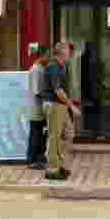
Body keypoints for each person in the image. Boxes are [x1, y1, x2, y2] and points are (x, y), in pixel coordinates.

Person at [40, 42, 81, 180]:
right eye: (69, 51)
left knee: (69, 134)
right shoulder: (53, 66)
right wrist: (72, 106)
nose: (71, 54)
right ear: (62, 52)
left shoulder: (62, 66)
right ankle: (52, 169)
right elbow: (58, 91)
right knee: (54, 137)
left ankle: (61, 164)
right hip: (54, 105)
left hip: (60, 105)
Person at [26, 46, 50, 170]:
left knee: (41, 134)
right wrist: (49, 96)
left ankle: (39, 158)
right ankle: (32, 160)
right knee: (35, 134)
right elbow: (37, 91)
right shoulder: (36, 70)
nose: (48, 57)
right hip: (36, 108)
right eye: (47, 55)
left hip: (40, 108)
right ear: (41, 55)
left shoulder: (41, 68)